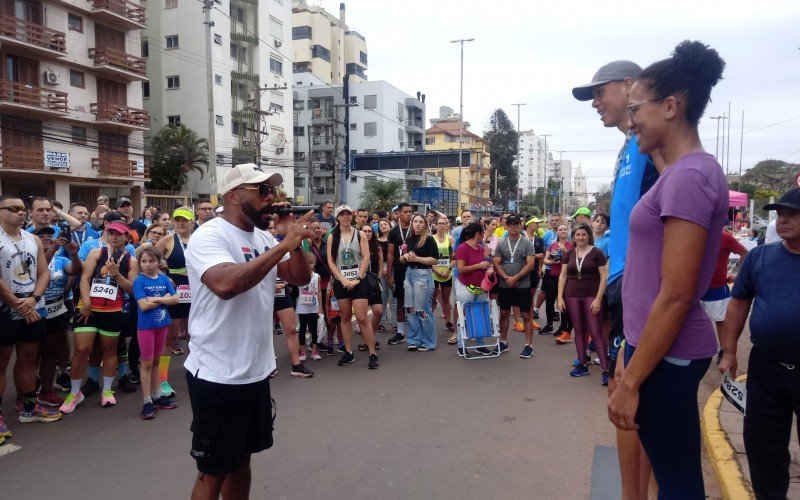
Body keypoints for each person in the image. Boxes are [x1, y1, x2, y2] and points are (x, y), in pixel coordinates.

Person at [606, 41, 728, 498]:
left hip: (668, 356)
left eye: (636, 108)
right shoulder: (681, 173)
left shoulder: (690, 178)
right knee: (673, 475)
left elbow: (676, 294)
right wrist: (628, 353)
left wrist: (632, 380)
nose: (631, 119)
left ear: (672, 107)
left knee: (677, 484)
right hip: (654, 349)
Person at [184, 163, 313, 499]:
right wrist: (282, 246)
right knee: (212, 471)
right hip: (217, 373)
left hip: (253, 370)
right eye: (261, 191)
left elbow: (299, 278)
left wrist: (292, 243)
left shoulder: (262, 237)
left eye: (272, 190)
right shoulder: (209, 235)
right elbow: (226, 284)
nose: (270, 198)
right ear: (233, 196)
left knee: (242, 460)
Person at [573, 59, 661, 499]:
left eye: (599, 92)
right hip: (624, 285)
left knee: (629, 398)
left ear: (630, 86)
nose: (594, 103)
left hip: (641, 288)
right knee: (627, 399)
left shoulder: (653, 148)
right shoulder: (630, 146)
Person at [717, 188, 800, 500]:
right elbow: (738, 303)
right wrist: (728, 351)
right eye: (780, 214)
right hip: (766, 368)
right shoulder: (760, 258)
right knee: (763, 446)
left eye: (792, 213)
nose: (783, 220)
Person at [61, 221, 139, 412]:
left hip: (113, 310)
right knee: (81, 350)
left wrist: (117, 275)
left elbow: (134, 289)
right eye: (110, 232)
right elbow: (85, 279)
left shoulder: (132, 261)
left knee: (109, 350)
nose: (114, 236)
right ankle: (75, 392)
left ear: (126, 237)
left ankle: (107, 391)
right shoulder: (96, 253)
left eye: (118, 233)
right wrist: (86, 302)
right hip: (88, 308)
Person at [0, 196, 62, 437]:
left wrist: (33, 299)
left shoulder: (33, 238)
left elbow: (43, 272)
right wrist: (16, 303)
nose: (20, 213)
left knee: (28, 356)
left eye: (21, 209)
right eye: (12, 208)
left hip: (32, 305)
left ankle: (28, 406)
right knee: (2, 361)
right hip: (6, 308)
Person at [326, 205, 379, 369]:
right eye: (342, 214)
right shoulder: (332, 236)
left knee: (362, 317)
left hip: (358, 281)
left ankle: (372, 353)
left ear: (352, 216)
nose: (345, 217)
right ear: (338, 218)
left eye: (348, 214)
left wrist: (357, 278)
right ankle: (349, 352)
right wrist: (341, 279)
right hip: (341, 281)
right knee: (345, 317)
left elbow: (366, 257)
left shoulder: (360, 234)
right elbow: (331, 261)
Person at [35, 227, 82, 408]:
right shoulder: (31, 257)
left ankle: (47, 391)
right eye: (42, 236)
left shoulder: (61, 258)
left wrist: (75, 254)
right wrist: (52, 248)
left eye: (50, 235)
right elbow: (38, 270)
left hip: (56, 308)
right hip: (36, 309)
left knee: (50, 353)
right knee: (32, 354)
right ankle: (29, 392)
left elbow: (75, 270)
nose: (47, 238)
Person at [557, 224, 609, 382]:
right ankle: (582, 363)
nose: (580, 237)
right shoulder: (569, 254)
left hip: (592, 296)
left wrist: (599, 299)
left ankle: (606, 369)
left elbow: (604, 277)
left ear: (589, 236)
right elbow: (563, 276)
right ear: (574, 237)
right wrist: (560, 297)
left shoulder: (597, 253)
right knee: (579, 331)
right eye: (577, 235)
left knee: (595, 331)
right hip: (571, 295)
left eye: (583, 235)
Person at [133, 246, 179, 419]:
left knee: (157, 361)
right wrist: (164, 300)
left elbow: (175, 299)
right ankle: (147, 401)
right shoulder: (139, 281)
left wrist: (155, 299)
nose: (147, 265)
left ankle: (157, 396)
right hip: (146, 327)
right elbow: (143, 306)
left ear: (159, 262)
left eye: (151, 261)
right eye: (143, 261)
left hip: (163, 325)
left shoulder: (164, 279)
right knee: (146, 363)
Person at [154, 207, 196, 396]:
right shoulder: (168, 240)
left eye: (184, 220)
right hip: (176, 293)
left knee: (198, 336)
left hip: (198, 292)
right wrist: (163, 272)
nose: (180, 223)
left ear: (192, 222)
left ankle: (200, 372)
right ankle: (162, 380)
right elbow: (147, 260)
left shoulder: (200, 238)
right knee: (170, 339)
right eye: (177, 220)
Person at [267, 217, 312, 377]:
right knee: (265, 330)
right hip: (265, 293)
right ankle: (268, 364)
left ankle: (296, 364)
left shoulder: (284, 243)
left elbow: (296, 274)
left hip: (282, 291)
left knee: (291, 328)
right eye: (269, 227)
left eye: (274, 228)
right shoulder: (259, 242)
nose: (272, 230)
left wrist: (285, 283)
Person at [493, 214, 536, 358]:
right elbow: (496, 263)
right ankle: (503, 342)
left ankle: (528, 345)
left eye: (516, 224)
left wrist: (515, 278)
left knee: (526, 314)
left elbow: (530, 265)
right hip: (505, 285)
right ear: (506, 225)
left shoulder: (527, 243)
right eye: (510, 223)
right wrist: (506, 278)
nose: (513, 226)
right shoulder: (502, 243)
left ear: (520, 225)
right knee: (504, 313)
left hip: (522, 284)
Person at [453, 221, 494, 356]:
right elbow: (461, 269)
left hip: (480, 286)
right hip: (466, 286)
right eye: (482, 234)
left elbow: (486, 260)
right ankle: (461, 345)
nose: (483, 237)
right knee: (464, 315)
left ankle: (480, 344)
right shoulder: (462, 248)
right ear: (478, 234)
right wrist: (479, 266)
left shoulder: (480, 248)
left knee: (480, 313)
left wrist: (487, 266)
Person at [400, 214, 439, 351]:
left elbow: (434, 260)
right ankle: (414, 339)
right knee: (410, 308)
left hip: (423, 275)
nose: (417, 224)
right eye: (415, 221)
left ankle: (428, 342)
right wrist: (404, 257)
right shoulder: (409, 238)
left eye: (420, 222)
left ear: (425, 224)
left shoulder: (429, 239)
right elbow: (402, 259)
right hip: (409, 274)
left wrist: (417, 258)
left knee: (423, 309)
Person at [699, 229, 748, 327]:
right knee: (696, 326)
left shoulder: (724, 236)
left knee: (723, 323)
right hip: (692, 289)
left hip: (716, 289)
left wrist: (739, 275)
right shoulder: (690, 233)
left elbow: (745, 253)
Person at [387, 203, 413, 344]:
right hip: (399, 269)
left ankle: (417, 331)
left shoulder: (416, 229)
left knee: (416, 302)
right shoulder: (394, 232)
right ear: (399, 213)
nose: (409, 214)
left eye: (410, 212)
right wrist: (389, 275)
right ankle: (400, 332)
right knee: (400, 301)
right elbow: (390, 255)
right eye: (405, 212)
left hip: (415, 268)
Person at [542, 224, 573, 339]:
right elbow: (545, 259)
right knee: (549, 300)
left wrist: (565, 251)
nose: (563, 231)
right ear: (557, 232)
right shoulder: (552, 245)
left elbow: (574, 261)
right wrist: (552, 262)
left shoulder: (571, 245)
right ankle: (549, 324)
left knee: (563, 302)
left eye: (565, 229)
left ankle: (563, 327)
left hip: (566, 277)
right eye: (560, 229)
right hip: (553, 274)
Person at [432, 216, 455, 341]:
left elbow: (454, 258)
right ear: (435, 225)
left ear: (447, 226)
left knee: (446, 299)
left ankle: (448, 322)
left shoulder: (450, 240)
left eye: (444, 223)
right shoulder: (431, 239)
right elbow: (428, 257)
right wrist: (435, 270)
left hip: (447, 273)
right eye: (439, 223)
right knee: (432, 299)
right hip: (434, 273)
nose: (442, 225)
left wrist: (448, 270)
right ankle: (429, 323)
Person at [360, 224, 383, 351]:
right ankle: (367, 341)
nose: (367, 233)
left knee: (378, 311)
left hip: (373, 282)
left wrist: (378, 278)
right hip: (360, 281)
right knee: (362, 315)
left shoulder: (377, 248)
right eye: (365, 231)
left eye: (369, 231)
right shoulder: (356, 246)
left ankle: (370, 338)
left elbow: (380, 267)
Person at [296, 252, 323, 361]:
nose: (309, 265)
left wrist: (320, 307)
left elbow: (319, 292)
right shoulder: (299, 275)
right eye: (307, 263)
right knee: (302, 328)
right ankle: (302, 351)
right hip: (302, 305)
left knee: (314, 327)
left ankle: (314, 351)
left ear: (314, 263)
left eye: (311, 263)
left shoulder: (317, 277)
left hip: (313, 305)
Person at [524, 216, 545, 330]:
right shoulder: (521, 237)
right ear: (530, 224)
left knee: (531, 296)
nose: (538, 225)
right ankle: (519, 321)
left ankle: (530, 320)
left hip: (534, 271)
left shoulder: (539, 239)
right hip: (521, 271)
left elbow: (542, 255)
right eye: (536, 223)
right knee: (521, 296)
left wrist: (540, 268)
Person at [376, 218, 395, 333]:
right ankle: (381, 322)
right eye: (380, 225)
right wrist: (381, 269)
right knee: (383, 296)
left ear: (389, 225)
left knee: (393, 297)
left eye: (385, 224)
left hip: (392, 269)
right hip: (380, 269)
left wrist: (389, 269)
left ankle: (394, 322)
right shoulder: (376, 240)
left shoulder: (394, 239)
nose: (383, 226)